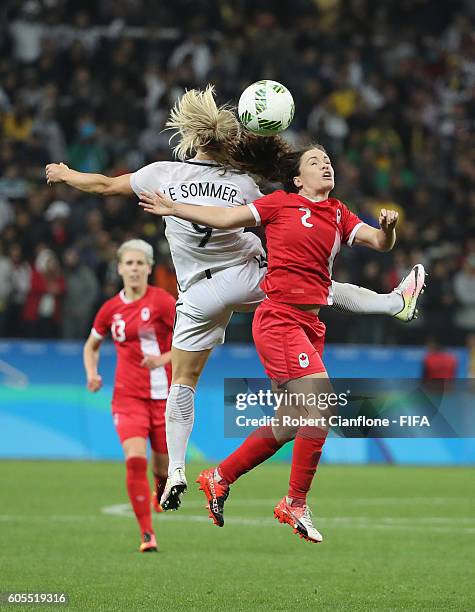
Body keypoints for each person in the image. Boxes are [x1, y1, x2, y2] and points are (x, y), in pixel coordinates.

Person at [45, 86, 425, 514]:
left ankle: (176, 471)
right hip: (246, 277)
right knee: (309, 283)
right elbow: (275, 218)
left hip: (197, 293)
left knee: (183, 383)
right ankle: (393, 303)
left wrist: (66, 174)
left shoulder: (161, 174)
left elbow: (102, 185)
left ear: (191, 137)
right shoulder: (244, 183)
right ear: (229, 142)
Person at [138, 144, 402, 543]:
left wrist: (388, 228)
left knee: (291, 421)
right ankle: (295, 502)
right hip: (279, 319)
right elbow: (227, 217)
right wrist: (176, 208)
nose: (326, 164)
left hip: (310, 324)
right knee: (322, 405)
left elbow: (380, 244)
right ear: (297, 178)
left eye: (328, 160)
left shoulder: (338, 212)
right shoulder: (280, 204)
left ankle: (218, 477)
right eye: (315, 162)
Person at [83, 239, 175, 552]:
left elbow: (190, 342)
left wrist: (161, 361)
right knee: (135, 460)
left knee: (162, 468)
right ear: (120, 268)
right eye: (129, 263)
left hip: (164, 397)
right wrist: (92, 374)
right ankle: (147, 534)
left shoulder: (162, 302)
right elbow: (91, 346)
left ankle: (160, 487)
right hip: (127, 397)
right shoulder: (110, 309)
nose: (134, 269)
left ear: (149, 268)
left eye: (140, 263)